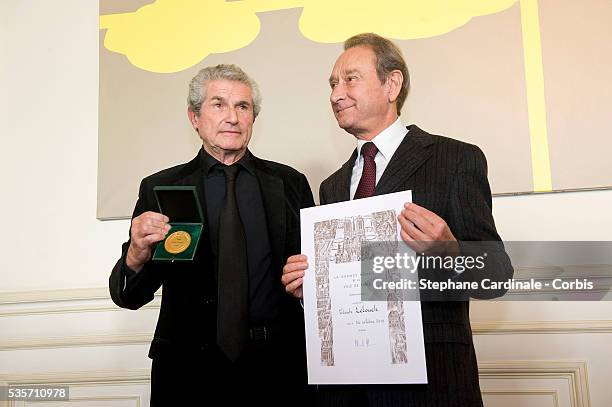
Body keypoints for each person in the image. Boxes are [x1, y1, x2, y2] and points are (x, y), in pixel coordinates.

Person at [282, 33, 513, 406]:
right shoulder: (333, 186)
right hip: (349, 386)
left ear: (392, 83)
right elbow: (349, 287)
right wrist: (311, 288)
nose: (336, 94)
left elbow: (496, 275)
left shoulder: (455, 159)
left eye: (350, 79)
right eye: (332, 84)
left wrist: (448, 250)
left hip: (432, 384)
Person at [109, 64, 314, 406]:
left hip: (277, 371)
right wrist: (135, 254)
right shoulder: (163, 188)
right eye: (219, 104)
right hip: (187, 373)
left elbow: (310, 274)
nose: (232, 117)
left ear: (253, 117)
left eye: (243, 106)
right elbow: (129, 296)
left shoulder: (290, 183)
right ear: (194, 117)